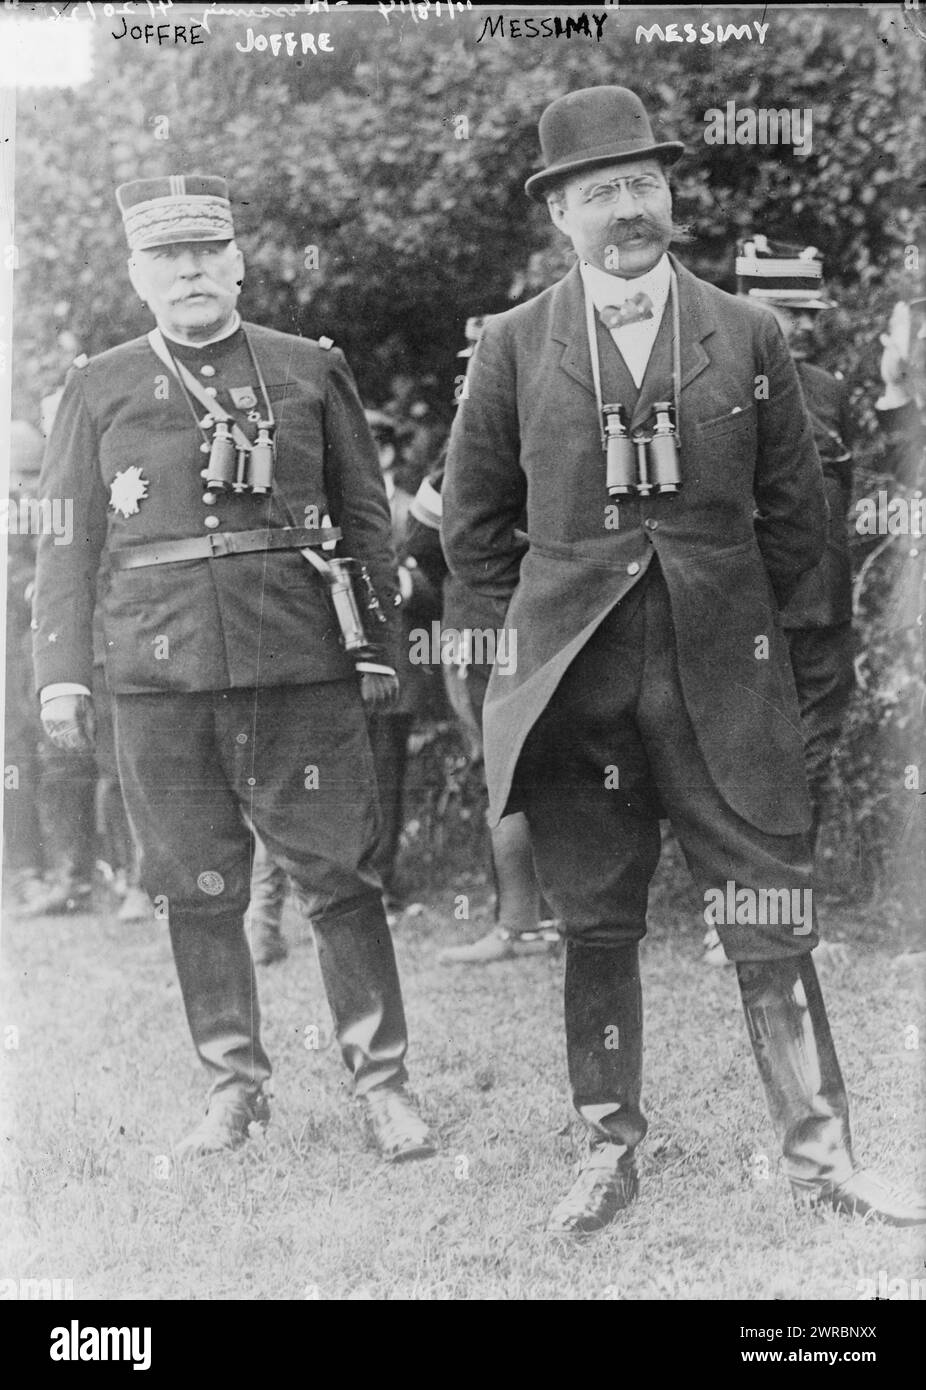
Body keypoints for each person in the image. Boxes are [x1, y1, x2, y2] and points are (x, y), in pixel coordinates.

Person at [441, 86, 924, 1232]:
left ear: (670, 197)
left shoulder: (747, 334)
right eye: (600, 191)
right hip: (579, 699)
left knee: (769, 918)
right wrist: (545, 638)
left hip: (726, 677)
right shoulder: (510, 345)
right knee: (596, 926)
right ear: (558, 212)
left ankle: (823, 1160)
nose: (628, 208)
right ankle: (605, 1149)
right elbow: (471, 530)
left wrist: (805, 685)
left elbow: (798, 528)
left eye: (645, 185)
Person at [32, 174, 434, 1163]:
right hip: (153, 678)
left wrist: (378, 648)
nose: (191, 272)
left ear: (239, 263)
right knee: (198, 886)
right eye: (168, 259)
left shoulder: (309, 368)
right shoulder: (100, 383)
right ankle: (232, 1086)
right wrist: (62, 675)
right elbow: (64, 541)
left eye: (207, 253)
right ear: (138, 276)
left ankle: (381, 1085)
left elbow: (365, 518)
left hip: (297, 664)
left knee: (339, 877)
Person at [703, 238, 856, 967]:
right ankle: (732, 918)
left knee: (810, 757)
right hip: (747, 603)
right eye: (783, 311)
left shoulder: (827, 388)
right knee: (746, 755)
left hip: (822, 604)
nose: (796, 328)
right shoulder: (711, 381)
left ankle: (792, 915)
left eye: (804, 313)